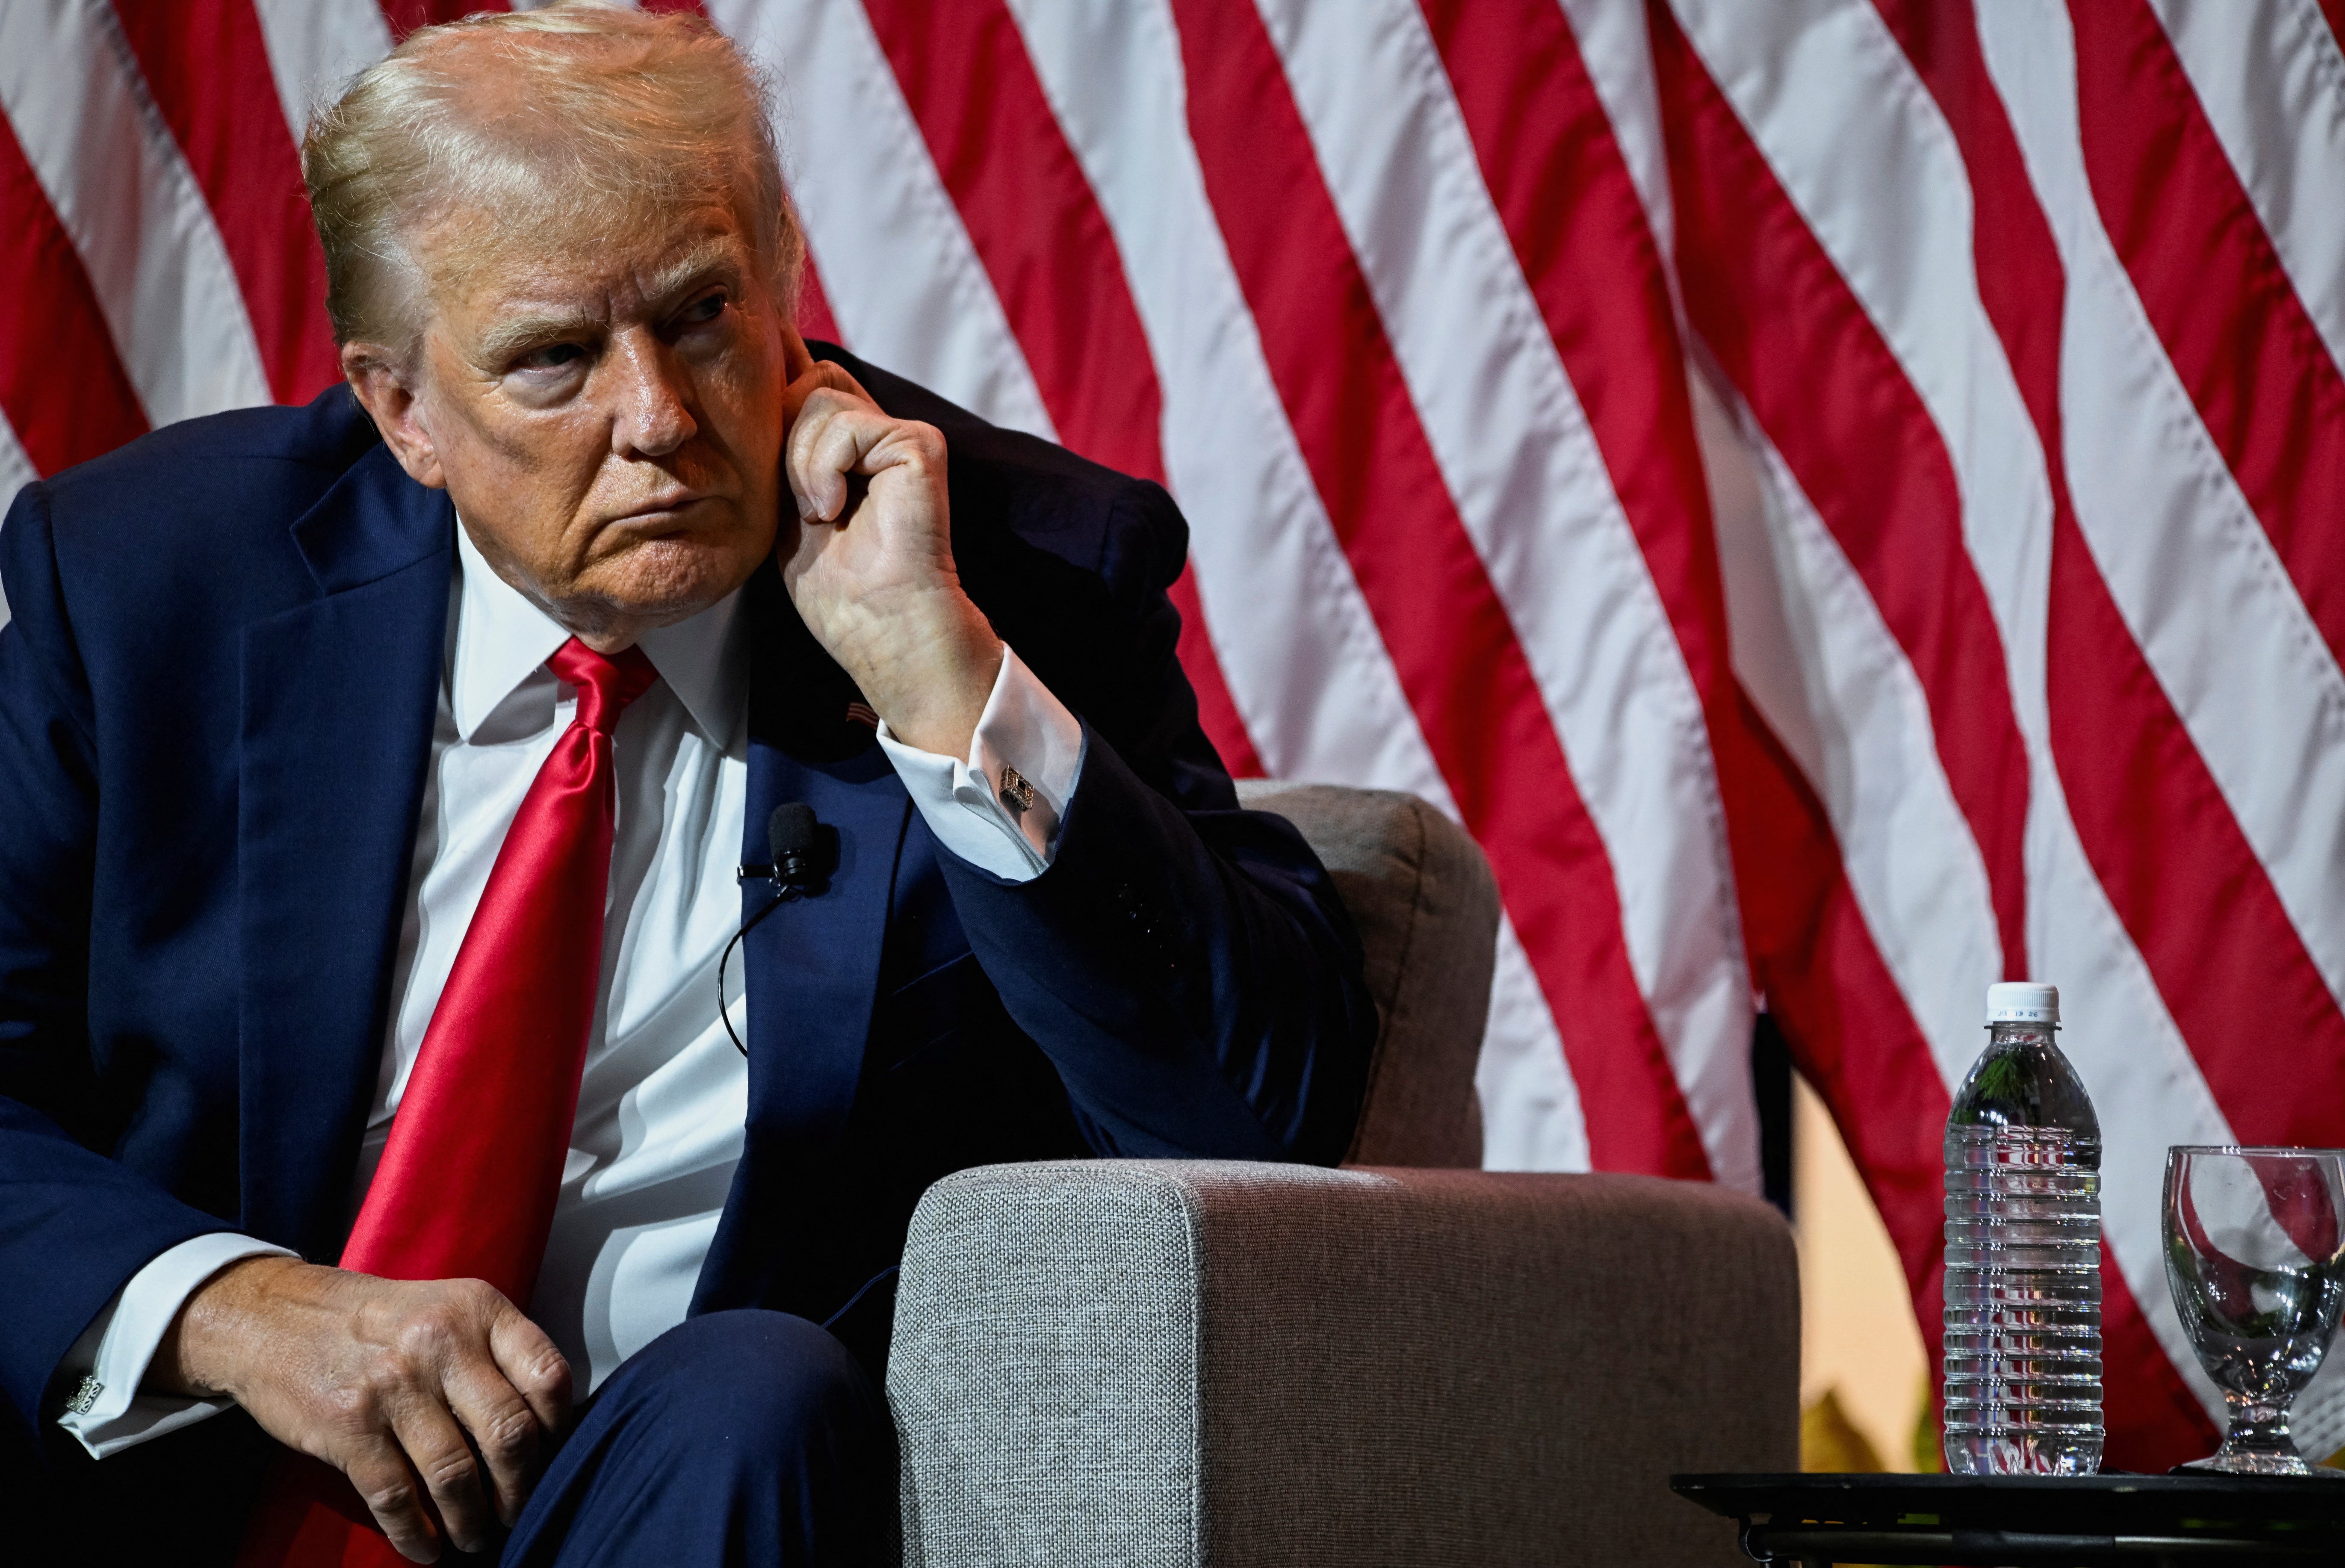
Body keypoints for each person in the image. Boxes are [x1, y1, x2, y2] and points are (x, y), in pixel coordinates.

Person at [0, 8, 1375, 1565]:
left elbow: (1266, 1125)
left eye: (704, 314)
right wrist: (233, 1310)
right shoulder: (154, 587)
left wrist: (935, 679)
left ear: (786, 277)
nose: (657, 417)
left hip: (663, 1500)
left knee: (756, 1389)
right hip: (181, 1491)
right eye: (555, 360)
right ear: (402, 411)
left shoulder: (1014, 572)